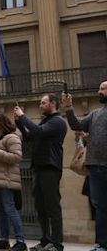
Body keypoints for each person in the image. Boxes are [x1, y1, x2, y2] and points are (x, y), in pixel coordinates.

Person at [14, 94, 67, 251]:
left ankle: (57, 243)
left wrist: (23, 116)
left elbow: (37, 131)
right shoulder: (46, 121)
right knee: (41, 206)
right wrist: (19, 122)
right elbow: (29, 136)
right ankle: (45, 240)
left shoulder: (57, 121)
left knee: (52, 207)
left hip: (50, 167)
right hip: (39, 167)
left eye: (43, 103)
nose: (40, 105)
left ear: (53, 103)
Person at [62, 82, 107, 251]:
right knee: (100, 206)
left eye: (103, 88)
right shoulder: (95, 114)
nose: (99, 91)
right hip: (95, 166)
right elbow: (77, 126)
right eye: (99, 88)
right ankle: (102, 244)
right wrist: (68, 107)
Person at [0, 114, 26, 251]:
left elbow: (17, 157)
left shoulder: (12, 137)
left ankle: (20, 241)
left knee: (10, 209)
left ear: (2, 123)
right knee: (1, 211)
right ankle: (3, 240)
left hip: (7, 180)